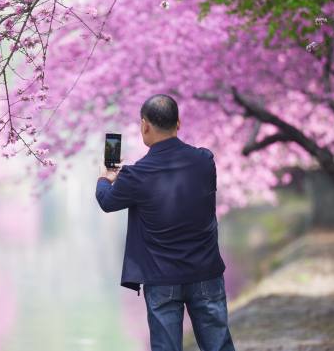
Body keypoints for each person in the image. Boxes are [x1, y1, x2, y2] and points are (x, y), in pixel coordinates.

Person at [95, 94, 236, 351]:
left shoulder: (136, 175)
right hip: (205, 273)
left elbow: (107, 202)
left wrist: (106, 178)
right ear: (178, 123)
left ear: (144, 126)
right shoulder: (205, 162)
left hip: (162, 279)